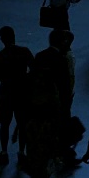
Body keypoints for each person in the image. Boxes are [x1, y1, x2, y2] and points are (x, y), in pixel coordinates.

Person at [0, 26, 35, 167]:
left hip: (6, 93)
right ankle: (22, 152)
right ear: (14, 36)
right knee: (22, 124)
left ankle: (4, 152)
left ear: (2, 39)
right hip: (22, 92)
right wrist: (24, 78)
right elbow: (34, 69)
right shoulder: (24, 52)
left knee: (4, 124)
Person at [35, 29, 79, 167]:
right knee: (61, 127)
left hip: (42, 100)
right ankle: (62, 154)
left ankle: (45, 155)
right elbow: (65, 84)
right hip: (57, 101)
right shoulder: (61, 59)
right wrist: (66, 102)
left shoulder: (40, 56)